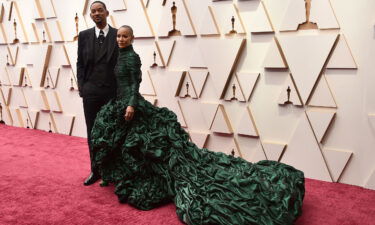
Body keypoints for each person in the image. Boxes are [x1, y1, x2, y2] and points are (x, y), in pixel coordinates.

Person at [91, 25, 305, 225]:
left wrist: (131, 105)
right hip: (120, 104)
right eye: (118, 36)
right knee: (123, 142)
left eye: (124, 36)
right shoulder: (121, 55)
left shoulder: (132, 58)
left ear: (132, 38)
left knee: (140, 145)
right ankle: (129, 175)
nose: (120, 39)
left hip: (131, 106)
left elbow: (135, 84)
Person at [76, 1, 118, 186]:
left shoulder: (118, 34)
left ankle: (113, 170)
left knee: (112, 132)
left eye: (100, 10)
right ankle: (95, 170)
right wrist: (82, 86)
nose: (96, 13)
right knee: (92, 131)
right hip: (91, 92)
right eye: (93, 11)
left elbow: (123, 64)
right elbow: (80, 63)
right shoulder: (84, 36)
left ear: (107, 12)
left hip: (111, 92)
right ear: (91, 15)